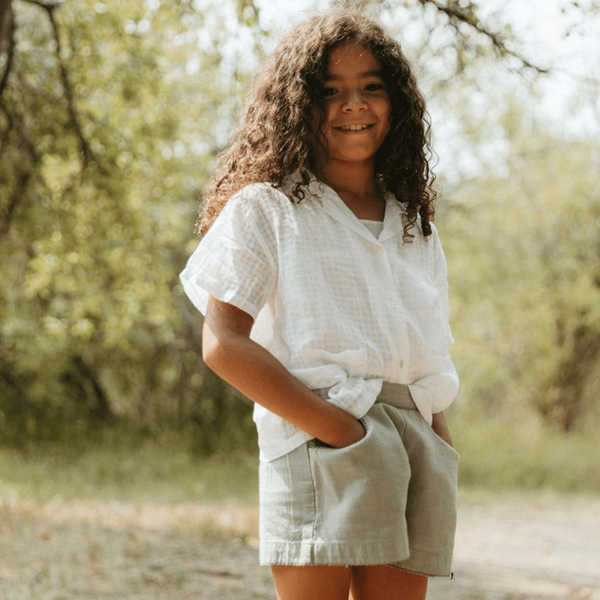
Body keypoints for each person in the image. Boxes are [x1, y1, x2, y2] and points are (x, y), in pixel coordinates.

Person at [180, 10, 459, 600]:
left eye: (371, 87)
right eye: (330, 91)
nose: (353, 104)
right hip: (319, 434)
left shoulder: (415, 224)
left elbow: (427, 346)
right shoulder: (268, 208)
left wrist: (436, 437)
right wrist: (338, 429)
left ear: (397, 101)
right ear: (298, 104)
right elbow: (223, 343)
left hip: (414, 436)